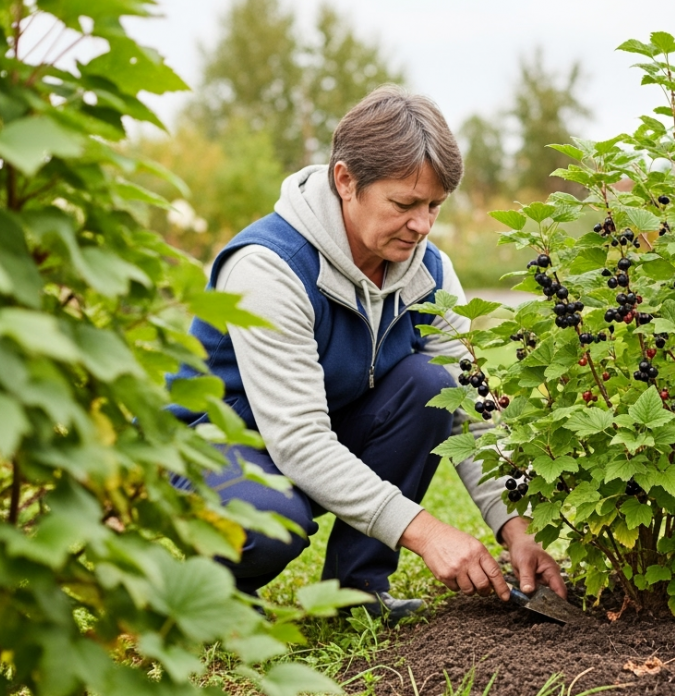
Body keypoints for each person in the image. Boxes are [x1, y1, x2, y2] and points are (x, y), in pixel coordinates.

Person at [168, 85, 566, 620]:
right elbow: (299, 440)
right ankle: (213, 589)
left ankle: (355, 594)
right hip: (215, 451)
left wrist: (516, 526)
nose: (423, 225)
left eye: (434, 206)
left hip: (316, 433)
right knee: (269, 522)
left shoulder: (429, 271)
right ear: (345, 181)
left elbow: (471, 408)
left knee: (432, 387)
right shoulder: (269, 267)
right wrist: (425, 532)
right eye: (404, 204)